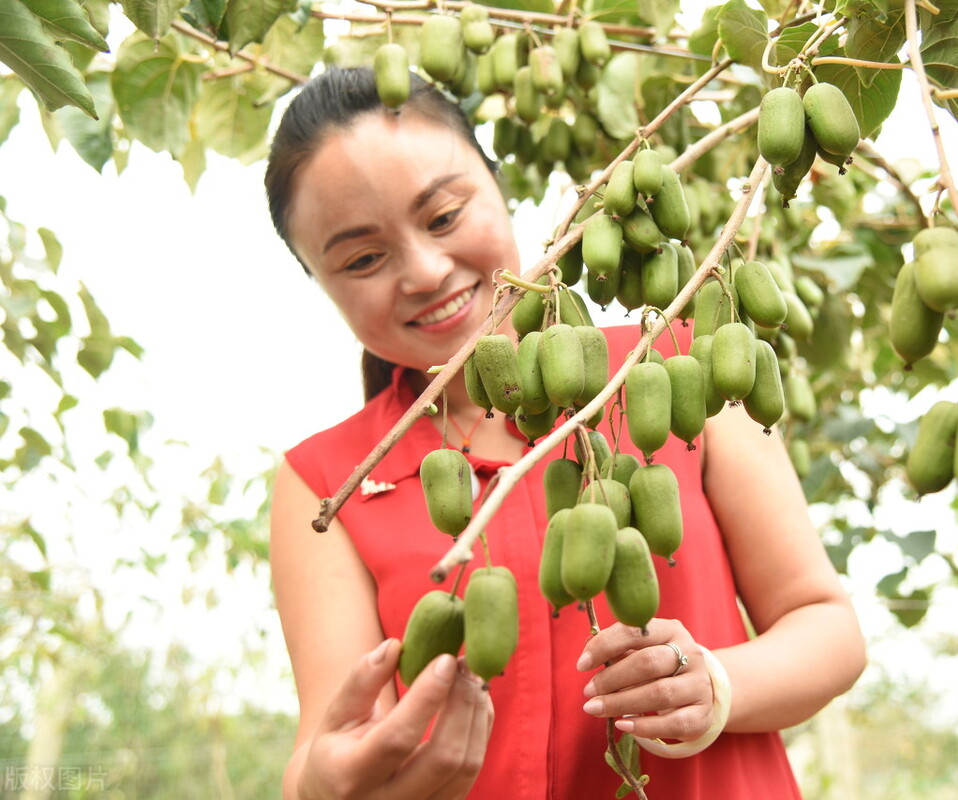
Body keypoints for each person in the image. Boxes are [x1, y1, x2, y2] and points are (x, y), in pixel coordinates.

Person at [265, 66, 866, 800]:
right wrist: (328, 785)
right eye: (363, 259)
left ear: (497, 186)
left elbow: (828, 629)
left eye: (444, 216)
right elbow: (321, 749)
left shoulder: (681, 367)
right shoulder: (325, 481)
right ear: (320, 282)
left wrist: (715, 683)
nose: (425, 271)